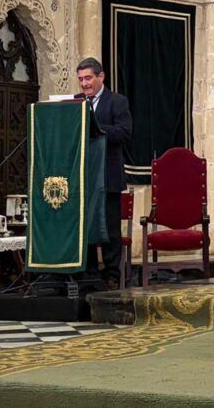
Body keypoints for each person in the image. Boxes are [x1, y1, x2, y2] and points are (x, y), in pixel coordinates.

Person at [75, 57, 132, 289]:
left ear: (101, 77)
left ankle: (111, 276)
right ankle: (88, 273)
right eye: (80, 79)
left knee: (110, 229)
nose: (84, 84)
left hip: (108, 176)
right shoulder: (76, 102)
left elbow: (124, 133)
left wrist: (97, 128)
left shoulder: (117, 101)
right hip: (82, 176)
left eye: (88, 78)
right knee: (85, 226)